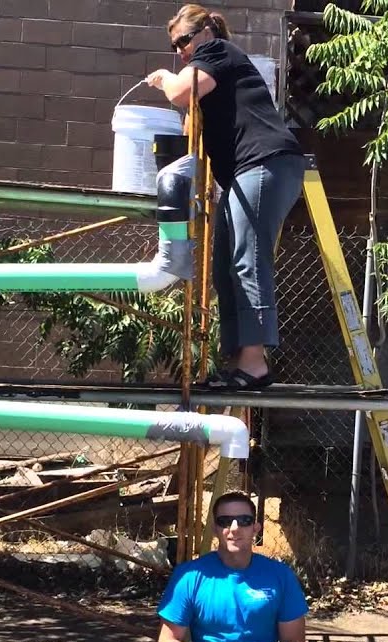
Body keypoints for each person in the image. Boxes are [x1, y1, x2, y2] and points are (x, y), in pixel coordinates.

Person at [145, 4, 306, 391]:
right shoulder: (212, 65)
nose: (181, 50)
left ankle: (254, 363)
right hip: (244, 173)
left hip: (265, 163)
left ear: (204, 33)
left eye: (184, 40)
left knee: (247, 259)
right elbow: (191, 120)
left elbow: (182, 91)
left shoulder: (217, 52)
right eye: (175, 46)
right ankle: (237, 360)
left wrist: (166, 77)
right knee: (223, 266)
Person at [156, 491, 308, 642]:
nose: (234, 528)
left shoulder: (280, 576)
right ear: (215, 528)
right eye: (224, 521)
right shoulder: (189, 576)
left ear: (256, 528)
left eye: (244, 521)